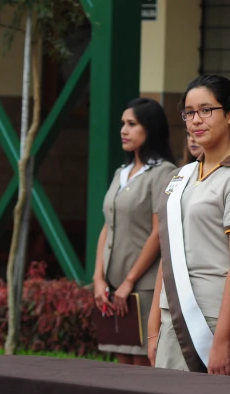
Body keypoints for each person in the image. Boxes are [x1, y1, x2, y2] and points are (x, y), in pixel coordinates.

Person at [147, 75, 230, 374]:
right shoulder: (182, 176)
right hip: (170, 312)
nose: (196, 120)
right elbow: (168, 250)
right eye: (189, 112)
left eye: (206, 110)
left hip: (209, 319)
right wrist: (153, 322)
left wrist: (223, 340)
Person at [93, 98, 177, 366]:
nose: (123, 130)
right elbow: (108, 224)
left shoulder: (163, 172)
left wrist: (129, 282)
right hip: (113, 286)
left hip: (142, 285)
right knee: (121, 364)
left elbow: (158, 232)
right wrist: (98, 278)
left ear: (150, 128)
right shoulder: (122, 172)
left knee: (142, 366)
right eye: (122, 124)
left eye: (131, 124)